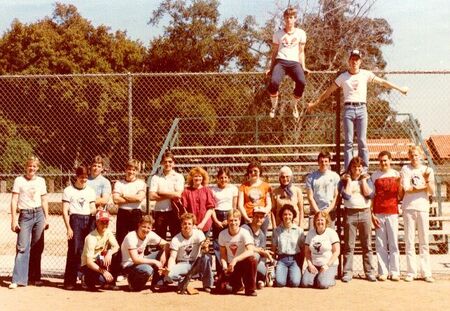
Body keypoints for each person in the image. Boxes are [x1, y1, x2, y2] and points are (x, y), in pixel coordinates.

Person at [308, 49, 408, 171]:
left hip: (362, 109)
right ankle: (348, 170)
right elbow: (328, 92)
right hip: (348, 109)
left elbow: (382, 82)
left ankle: (364, 169)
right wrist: (314, 104)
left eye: (357, 59)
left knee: (362, 141)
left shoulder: (366, 74)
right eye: (352, 59)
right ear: (349, 61)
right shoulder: (343, 77)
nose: (354, 62)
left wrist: (400, 89)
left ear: (360, 61)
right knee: (348, 142)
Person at [9, 156, 49, 289]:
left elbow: (44, 200)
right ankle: (18, 279)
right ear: (26, 167)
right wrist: (14, 220)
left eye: (34, 166)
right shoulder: (19, 180)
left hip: (38, 215)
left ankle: (34, 277)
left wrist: (46, 218)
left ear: (37, 168)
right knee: (22, 247)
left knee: (37, 247)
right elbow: (14, 200)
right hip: (25, 215)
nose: (31, 168)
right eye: (29, 166)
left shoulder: (41, 181)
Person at [266, 6, 309, 119]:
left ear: (295, 19)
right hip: (281, 62)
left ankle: (294, 105)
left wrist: (303, 67)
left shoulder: (301, 33)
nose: (289, 20)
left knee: (302, 82)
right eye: (287, 17)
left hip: (294, 63)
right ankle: (274, 106)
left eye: (291, 17)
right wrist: (271, 68)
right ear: (284, 19)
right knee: (274, 82)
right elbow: (274, 52)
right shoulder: (278, 34)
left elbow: (301, 52)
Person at [339, 156, 376, 282]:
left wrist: (364, 181)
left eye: (359, 166)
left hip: (365, 213)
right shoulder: (344, 180)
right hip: (350, 214)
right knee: (349, 245)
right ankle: (347, 272)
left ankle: (369, 272)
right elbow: (346, 195)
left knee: (367, 245)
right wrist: (349, 181)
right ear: (350, 167)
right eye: (354, 166)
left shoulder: (367, 179)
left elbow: (370, 194)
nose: (357, 169)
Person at [401, 146, 435, 283]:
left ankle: (426, 272)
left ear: (421, 156)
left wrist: (426, 182)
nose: (414, 157)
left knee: (424, 241)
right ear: (409, 156)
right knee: (409, 241)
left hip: (422, 208)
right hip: (409, 207)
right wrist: (422, 187)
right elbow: (407, 189)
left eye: (416, 155)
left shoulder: (427, 170)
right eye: (412, 155)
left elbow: (431, 191)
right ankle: (411, 272)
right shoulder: (405, 169)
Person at [62, 165, 96, 290]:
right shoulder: (68, 190)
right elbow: (65, 211)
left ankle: (87, 280)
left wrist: (96, 211)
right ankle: (69, 281)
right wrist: (69, 228)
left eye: (86, 177)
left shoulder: (90, 191)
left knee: (88, 250)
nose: (84, 180)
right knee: (74, 250)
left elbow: (92, 207)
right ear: (76, 177)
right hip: (75, 220)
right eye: (82, 177)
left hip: (89, 220)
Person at [371, 151, 402, 281]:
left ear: (390, 160)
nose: (383, 163)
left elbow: (400, 195)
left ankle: (395, 271)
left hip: (392, 212)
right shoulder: (374, 176)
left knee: (394, 242)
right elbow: (372, 196)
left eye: (385, 160)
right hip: (379, 212)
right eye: (381, 161)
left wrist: (400, 183)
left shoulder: (396, 174)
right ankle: (383, 271)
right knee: (381, 243)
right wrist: (372, 213)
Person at [165, 213, 213, 293]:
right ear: (181, 225)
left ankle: (207, 285)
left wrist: (205, 247)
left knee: (207, 258)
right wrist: (170, 269)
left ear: (193, 225)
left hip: (196, 263)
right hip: (183, 264)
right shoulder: (175, 239)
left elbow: (204, 249)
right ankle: (184, 282)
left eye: (189, 224)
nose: (187, 226)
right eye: (184, 223)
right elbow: (172, 257)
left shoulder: (198, 233)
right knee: (169, 275)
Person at [121, 215, 169, 291]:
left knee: (164, 253)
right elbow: (135, 260)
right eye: (144, 226)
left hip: (142, 260)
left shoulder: (149, 234)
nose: (146, 230)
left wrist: (164, 254)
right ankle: (133, 284)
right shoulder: (131, 237)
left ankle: (157, 283)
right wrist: (154, 261)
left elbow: (166, 244)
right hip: (129, 265)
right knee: (147, 269)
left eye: (148, 228)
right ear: (139, 225)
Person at [218, 209, 257, 296]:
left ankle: (250, 289)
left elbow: (250, 251)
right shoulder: (222, 234)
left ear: (239, 221)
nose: (233, 223)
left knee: (252, 260)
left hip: (242, 263)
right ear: (227, 221)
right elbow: (223, 255)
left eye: (236, 220)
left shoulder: (245, 233)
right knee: (223, 289)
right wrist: (225, 267)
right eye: (231, 220)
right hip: (231, 266)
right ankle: (237, 285)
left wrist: (236, 259)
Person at [149, 150, 185, 239]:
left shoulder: (178, 177)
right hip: (159, 211)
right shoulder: (156, 177)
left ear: (174, 163)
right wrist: (171, 194)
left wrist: (160, 193)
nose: (167, 164)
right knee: (160, 238)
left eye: (170, 162)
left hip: (174, 211)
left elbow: (178, 195)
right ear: (161, 163)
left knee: (176, 237)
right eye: (165, 161)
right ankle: (162, 253)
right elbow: (151, 196)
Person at [80, 210, 120, 290]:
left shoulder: (108, 232)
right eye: (102, 222)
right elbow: (89, 262)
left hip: (100, 260)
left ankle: (111, 281)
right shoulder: (91, 238)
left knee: (116, 254)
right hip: (89, 265)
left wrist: (109, 253)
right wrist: (104, 272)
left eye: (107, 222)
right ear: (97, 222)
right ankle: (85, 278)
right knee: (102, 280)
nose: (105, 224)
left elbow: (116, 247)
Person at [301, 211, 340, 289]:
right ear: (315, 221)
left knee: (323, 284)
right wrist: (310, 265)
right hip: (314, 265)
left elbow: (336, 251)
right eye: (317, 220)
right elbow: (307, 252)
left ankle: (329, 279)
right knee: (305, 283)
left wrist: (327, 265)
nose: (320, 222)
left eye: (322, 220)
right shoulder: (310, 233)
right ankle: (319, 277)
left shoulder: (331, 232)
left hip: (328, 265)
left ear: (326, 221)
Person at [210, 168, 238, 273]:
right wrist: (216, 221)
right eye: (221, 177)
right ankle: (220, 271)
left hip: (229, 215)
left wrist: (230, 219)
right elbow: (212, 207)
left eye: (225, 177)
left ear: (229, 178)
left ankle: (232, 269)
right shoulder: (213, 190)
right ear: (217, 178)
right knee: (218, 244)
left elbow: (234, 206)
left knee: (229, 243)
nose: (223, 180)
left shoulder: (233, 189)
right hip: (217, 215)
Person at [113, 159, 146, 246]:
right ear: (125, 170)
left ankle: (136, 258)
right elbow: (116, 199)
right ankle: (120, 258)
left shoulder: (141, 183)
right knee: (121, 239)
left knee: (136, 238)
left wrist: (123, 195)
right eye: (129, 169)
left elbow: (139, 198)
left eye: (134, 170)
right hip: (123, 213)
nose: (131, 172)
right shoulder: (119, 183)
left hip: (136, 213)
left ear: (137, 171)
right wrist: (133, 198)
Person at [241, 206, 274, 289]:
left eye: (261, 217)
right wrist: (261, 251)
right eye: (257, 216)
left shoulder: (262, 235)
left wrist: (265, 257)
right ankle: (249, 283)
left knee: (263, 268)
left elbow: (262, 252)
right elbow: (245, 248)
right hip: (243, 259)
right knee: (254, 255)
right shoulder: (245, 228)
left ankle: (260, 278)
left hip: (257, 261)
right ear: (252, 216)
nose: (259, 219)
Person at [271, 204, 303, 287]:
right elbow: (274, 248)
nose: (287, 216)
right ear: (281, 216)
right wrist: (273, 262)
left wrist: (300, 264)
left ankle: (292, 274)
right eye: (285, 214)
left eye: (289, 214)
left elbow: (302, 249)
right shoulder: (276, 231)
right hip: (282, 260)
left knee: (295, 283)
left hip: (295, 260)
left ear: (293, 216)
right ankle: (284, 274)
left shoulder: (299, 231)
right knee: (280, 283)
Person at [305, 151, 340, 227]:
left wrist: (327, 211)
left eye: (326, 161)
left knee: (329, 237)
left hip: (330, 212)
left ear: (330, 162)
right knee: (313, 237)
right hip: (315, 212)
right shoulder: (311, 177)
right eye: (321, 161)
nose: (324, 163)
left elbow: (336, 196)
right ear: (318, 162)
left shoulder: (335, 176)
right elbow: (310, 197)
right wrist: (318, 212)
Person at [238, 160, 272, 233]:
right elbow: (240, 205)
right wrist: (246, 217)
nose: (253, 173)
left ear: (260, 172)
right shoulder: (243, 186)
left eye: (255, 171)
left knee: (261, 239)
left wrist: (264, 214)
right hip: (249, 217)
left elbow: (269, 204)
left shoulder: (266, 186)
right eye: (250, 171)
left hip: (262, 217)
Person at [181, 167, 215, 234]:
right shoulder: (186, 191)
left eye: (200, 176)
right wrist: (192, 224)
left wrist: (202, 223)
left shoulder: (207, 191)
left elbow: (210, 208)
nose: (198, 178)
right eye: (195, 176)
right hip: (191, 226)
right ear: (192, 178)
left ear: (203, 178)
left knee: (204, 244)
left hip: (205, 224)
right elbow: (185, 209)